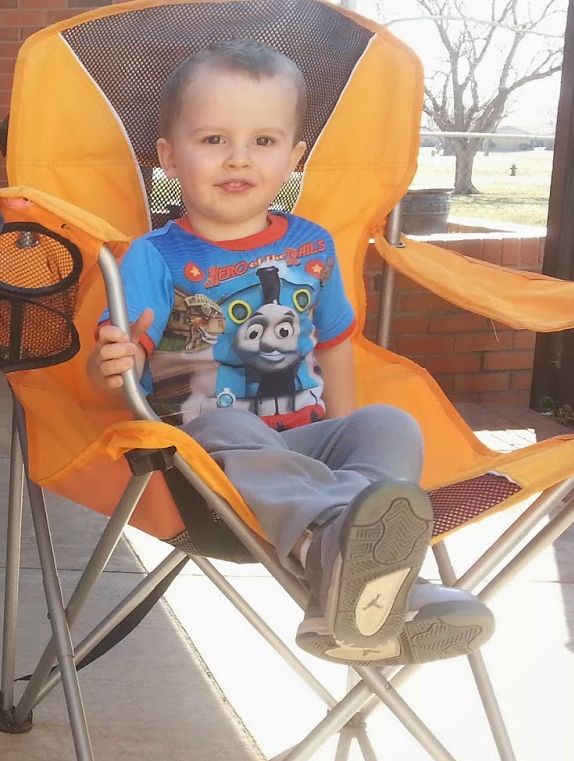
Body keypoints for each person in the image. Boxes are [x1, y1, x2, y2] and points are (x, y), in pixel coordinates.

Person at [89, 39, 494, 665]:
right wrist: (111, 365)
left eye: (264, 141)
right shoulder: (155, 256)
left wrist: (342, 428)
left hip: (307, 443)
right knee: (223, 423)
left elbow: (333, 344)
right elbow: (119, 370)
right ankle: (351, 564)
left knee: (388, 424)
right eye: (214, 139)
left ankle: (353, 566)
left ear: (294, 158)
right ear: (169, 158)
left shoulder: (312, 244)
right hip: (210, 462)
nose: (239, 158)